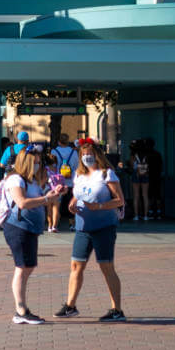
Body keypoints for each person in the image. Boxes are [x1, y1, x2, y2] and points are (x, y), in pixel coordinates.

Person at [59, 136, 127, 321]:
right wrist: (72, 204)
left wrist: (98, 206)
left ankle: (117, 309)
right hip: (82, 227)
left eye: (89, 153)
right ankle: (70, 306)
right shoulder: (79, 175)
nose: (86, 157)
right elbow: (77, 195)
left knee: (106, 266)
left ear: (97, 154)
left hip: (104, 226)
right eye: (83, 154)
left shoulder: (107, 174)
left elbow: (119, 200)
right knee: (76, 265)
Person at [0, 145, 61, 324]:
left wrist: (52, 194)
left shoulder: (32, 180)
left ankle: (22, 308)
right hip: (18, 227)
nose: (38, 165)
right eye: (35, 162)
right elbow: (22, 202)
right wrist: (47, 199)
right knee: (22, 267)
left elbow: (37, 200)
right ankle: (20, 310)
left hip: (31, 228)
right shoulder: (15, 180)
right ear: (25, 162)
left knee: (28, 266)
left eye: (39, 162)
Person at [129, 140, 151, 222]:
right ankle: (145, 216)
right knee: (145, 196)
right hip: (145, 174)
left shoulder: (133, 155)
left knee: (136, 196)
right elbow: (148, 166)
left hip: (136, 175)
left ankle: (136, 215)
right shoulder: (146, 155)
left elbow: (131, 166)